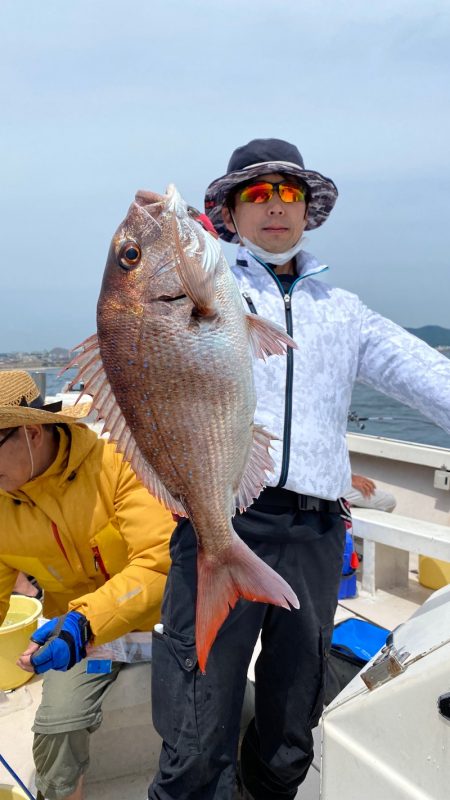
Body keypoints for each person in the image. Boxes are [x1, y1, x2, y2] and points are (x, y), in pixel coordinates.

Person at [147, 138, 450, 800]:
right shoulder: (202, 289)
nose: (275, 206)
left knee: (292, 718)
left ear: (308, 210)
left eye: (288, 193)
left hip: (315, 536)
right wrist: (163, 237)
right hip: (221, 522)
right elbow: (139, 318)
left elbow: (426, 374)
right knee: (196, 720)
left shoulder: (345, 311)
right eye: (255, 193)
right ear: (226, 214)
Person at [0, 370, 174, 800]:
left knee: (221, 713)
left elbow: (158, 566)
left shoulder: (120, 462)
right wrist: (76, 629)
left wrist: (82, 621)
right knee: (57, 726)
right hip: (73, 640)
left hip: (158, 626)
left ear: (31, 432)